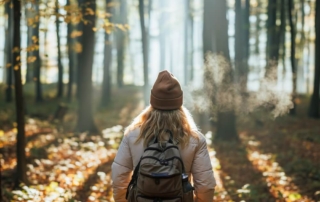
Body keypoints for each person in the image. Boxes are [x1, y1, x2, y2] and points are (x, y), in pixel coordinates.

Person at [111, 70, 216, 202]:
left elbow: (119, 177)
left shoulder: (133, 134)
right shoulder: (195, 138)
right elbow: (205, 186)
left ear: (152, 102)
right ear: (179, 103)